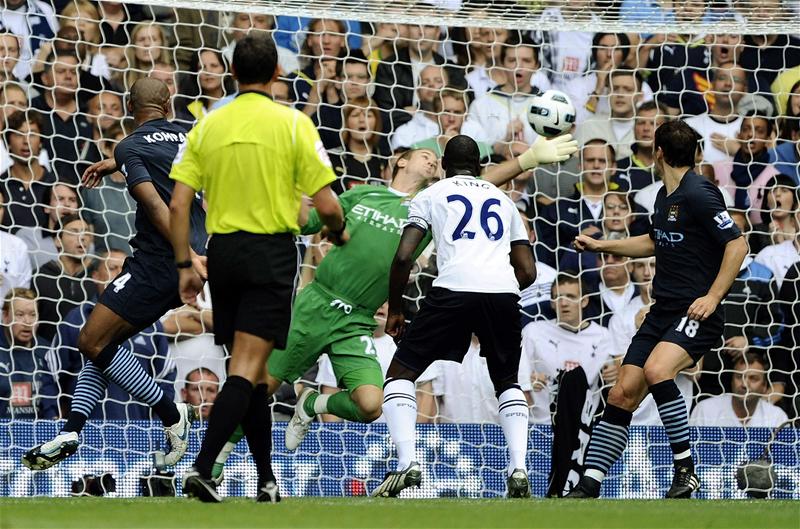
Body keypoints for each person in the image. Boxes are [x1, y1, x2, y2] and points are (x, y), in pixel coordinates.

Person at [168, 34, 346, 504]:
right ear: (277, 75)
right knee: (247, 370)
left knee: (249, 368)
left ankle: (266, 479)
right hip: (270, 252)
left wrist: (185, 262)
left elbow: (180, 201)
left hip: (223, 251)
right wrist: (337, 229)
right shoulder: (292, 124)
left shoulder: (208, 125)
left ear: (231, 75)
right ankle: (204, 469)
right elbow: (327, 203)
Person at [22, 78, 202, 473]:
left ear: (127, 106)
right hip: (191, 257)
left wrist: (184, 255)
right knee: (103, 343)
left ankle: (173, 415)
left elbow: (157, 205)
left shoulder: (130, 145)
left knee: (89, 337)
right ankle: (72, 429)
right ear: (168, 104)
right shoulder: (192, 136)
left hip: (160, 263)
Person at [567, 119, 747, 499]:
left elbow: (738, 245)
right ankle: (589, 485)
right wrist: (603, 247)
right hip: (662, 311)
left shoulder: (700, 192)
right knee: (621, 394)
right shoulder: (665, 197)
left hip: (696, 312)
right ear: (694, 152)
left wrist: (712, 297)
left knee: (657, 370)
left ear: (658, 152)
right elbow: (654, 241)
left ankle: (686, 471)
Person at [374, 135, 537, 499]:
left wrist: (396, 308)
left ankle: (406, 463)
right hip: (502, 293)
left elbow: (403, 257)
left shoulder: (431, 194)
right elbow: (528, 270)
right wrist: (501, 291)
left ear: (445, 166)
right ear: (480, 166)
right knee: (507, 381)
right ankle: (519, 468)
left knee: (401, 372)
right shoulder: (503, 199)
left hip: (453, 289)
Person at [50, 249, 176, 421]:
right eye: (112, 267)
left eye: (124, 269)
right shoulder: (76, 318)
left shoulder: (151, 323)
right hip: (86, 431)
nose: (119, 274)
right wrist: (51, 415)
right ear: (95, 276)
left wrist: (158, 422)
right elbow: (52, 372)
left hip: (138, 431)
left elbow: (166, 375)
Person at [0, 288, 58, 418]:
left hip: (38, 432)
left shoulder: (47, 351)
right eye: (20, 315)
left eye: (32, 315)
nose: (27, 322)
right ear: (5, 316)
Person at [690, 353, 788, 427]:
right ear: (732, 381)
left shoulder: (777, 417)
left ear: (764, 386)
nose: (744, 384)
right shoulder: (705, 410)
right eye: (739, 376)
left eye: (753, 378)